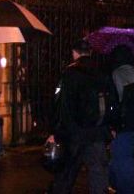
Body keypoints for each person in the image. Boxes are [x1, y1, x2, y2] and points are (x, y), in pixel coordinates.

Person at [46, 40, 110, 194]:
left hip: (73, 132)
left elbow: (59, 102)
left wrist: (55, 131)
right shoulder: (101, 72)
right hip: (96, 131)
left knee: (67, 172)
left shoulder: (69, 73)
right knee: (98, 172)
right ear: (90, 52)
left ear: (74, 53)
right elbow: (110, 101)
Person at [109, 45, 134, 194]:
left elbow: (116, 101)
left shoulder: (116, 74)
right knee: (121, 157)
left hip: (122, 125)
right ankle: (116, 185)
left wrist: (112, 124)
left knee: (122, 160)